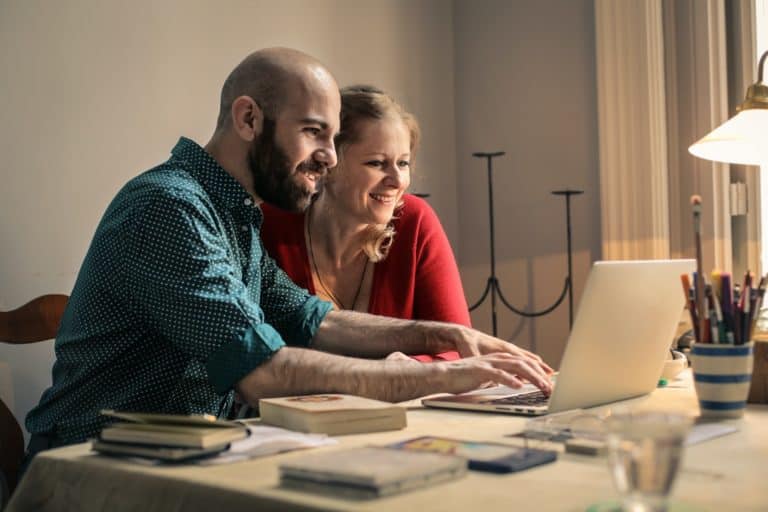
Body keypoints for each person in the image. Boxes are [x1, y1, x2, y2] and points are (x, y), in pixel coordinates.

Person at [24, 48, 553, 463]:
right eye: (314, 132)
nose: (328, 156)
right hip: (96, 464)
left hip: (185, 453)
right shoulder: (168, 208)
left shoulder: (233, 212)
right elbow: (260, 370)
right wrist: (441, 377)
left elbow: (313, 320)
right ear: (249, 119)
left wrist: (445, 336)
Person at [261, 85, 467, 362]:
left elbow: (457, 346)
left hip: (403, 404)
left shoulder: (415, 221)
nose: (397, 181)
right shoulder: (270, 225)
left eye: (403, 163)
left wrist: (410, 368)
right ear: (329, 164)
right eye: (377, 163)